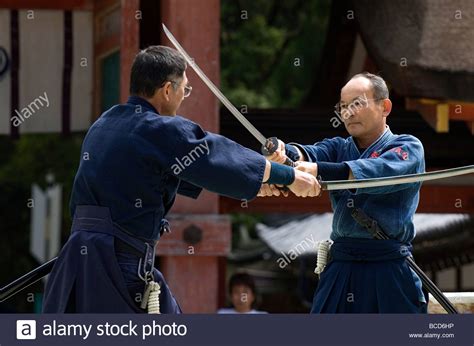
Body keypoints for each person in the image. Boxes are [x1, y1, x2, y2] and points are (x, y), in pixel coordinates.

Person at [42, 46, 321, 313]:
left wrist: (260, 184)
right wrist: (289, 176)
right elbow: (212, 153)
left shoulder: (103, 124)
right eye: (185, 89)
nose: (184, 96)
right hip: (119, 265)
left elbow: (184, 172)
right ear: (166, 89)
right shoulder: (157, 128)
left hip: (80, 259)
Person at [261, 72, 428, 313]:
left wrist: (319, 170)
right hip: (342, 265)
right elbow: (308, 153)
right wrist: (284, 152)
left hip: (388, 265)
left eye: (357, 103)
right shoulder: (338, 147)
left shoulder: (407, 147)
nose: (348, 113)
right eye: (343, 107)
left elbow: (378, 173)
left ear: (385, 106)